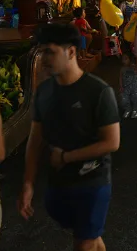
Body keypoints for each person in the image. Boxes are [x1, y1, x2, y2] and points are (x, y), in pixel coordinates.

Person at [19, 24, 120, 251]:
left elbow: (112, 142)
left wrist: (67, 156)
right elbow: (35, 140)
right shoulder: (44, 92)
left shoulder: (99, 92)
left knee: (84, 243)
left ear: (71, 52)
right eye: (42, 51)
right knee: (91, 238)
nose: (43, 59)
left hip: (92, 183)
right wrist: (27, 184)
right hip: (58, 184)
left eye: (50, 52)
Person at [119, 53, 137, 119]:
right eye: (123, 59)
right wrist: (121, 86)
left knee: (136, 99)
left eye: (126, 59)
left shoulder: (134, 66)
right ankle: (128, 109)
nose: (124, 61)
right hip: (126, 87)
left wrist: (135, 68)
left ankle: (135, 110)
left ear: (130, 59)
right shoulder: (122, 69)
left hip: (135, 87)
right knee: (125, 99)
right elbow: (120, 77)